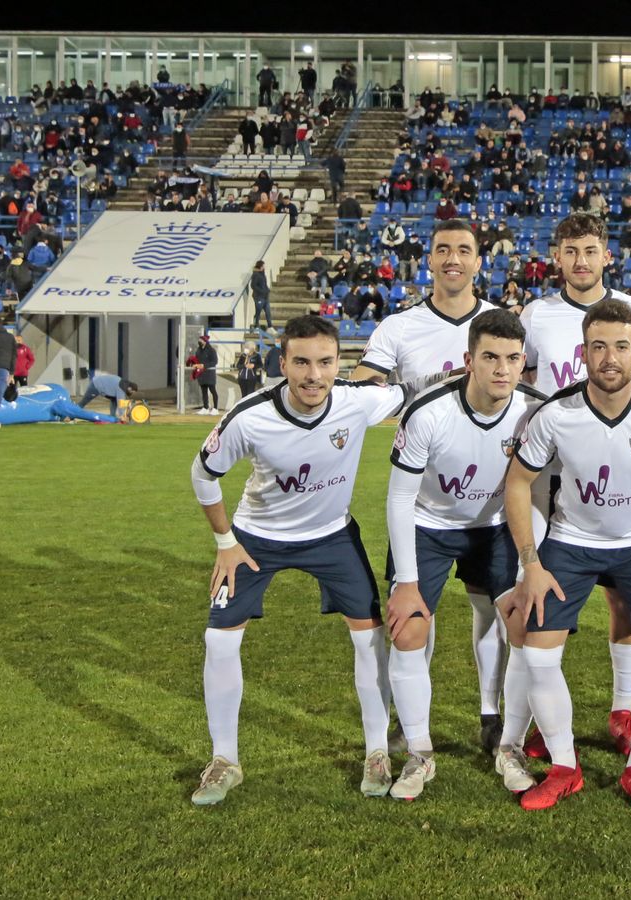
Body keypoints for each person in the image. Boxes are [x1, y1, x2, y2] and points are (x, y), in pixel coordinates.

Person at [188, 315, 407, 806]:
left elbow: (413, 391)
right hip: (254, 540)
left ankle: (377, 750)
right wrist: (226, 543)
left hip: (331, 537)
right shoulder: (249, 416)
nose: (314, 375)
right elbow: (202, 476)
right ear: (282, 363)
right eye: (302, 362)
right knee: (217, 638)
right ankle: (224, 760)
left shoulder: (357, 402)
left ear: (339, 364)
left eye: (326, 362)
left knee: (370, 636)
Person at [502, 298, 631, 815]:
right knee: (537, 653)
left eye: (621, 346)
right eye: (599, 347)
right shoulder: (555, 415)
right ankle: (566, 767)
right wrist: (531, 562)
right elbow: (518, 483)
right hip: (570, 544)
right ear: (585, 352)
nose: (610, 357)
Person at [383, 309, 548, 799]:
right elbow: (398, 498)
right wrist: (407, 581)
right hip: (429, 528)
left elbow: (538, 495)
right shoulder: (428, 411)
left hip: (496, 527)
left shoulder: (536, 410)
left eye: (513, 359)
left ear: (523, 363)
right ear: (468, 360)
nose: (502, 369)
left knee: (523, 624)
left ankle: (510, 746)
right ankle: (418, 752)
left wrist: (528, 565)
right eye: (490, 357)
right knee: (409, 626)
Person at [519, 213, 631, 753]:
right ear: (557, 257)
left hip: (616, 477)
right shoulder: (536, 315)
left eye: (590, 250)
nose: (581, 260)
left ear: (607, 255)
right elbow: (525, 384)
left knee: (624, 602)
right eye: (571, 250)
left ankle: (622, 710)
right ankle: (538, 716)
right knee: (537, 598)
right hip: (547, 477)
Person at [353, 220, 497, 387]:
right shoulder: (397, 326)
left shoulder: (501, 325)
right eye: (443, 250)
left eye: (464, 251)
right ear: (430, 261)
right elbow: (355, 395)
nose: (453, 259)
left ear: (477, 263)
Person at [192, 335, 220, 415]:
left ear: (205, 341)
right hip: (201, 374)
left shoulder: (211, 350)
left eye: (201, 340)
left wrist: (204, 365)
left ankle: (215, 408)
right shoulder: (198, 350)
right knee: (203, 391)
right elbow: (196, 360)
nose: (199, 341)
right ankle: (205, 407)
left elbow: (214, 362)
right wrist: (195, 365)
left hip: (209, 374)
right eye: (199, 340)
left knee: (212, 390)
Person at [250, 260, 273, 331]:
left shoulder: (263, 274)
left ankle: (270, 327)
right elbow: (253, 285)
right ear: (260, 266)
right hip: (259, 297)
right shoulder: (256, 274)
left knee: (268, 311)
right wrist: (262, 291)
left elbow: (264, 284)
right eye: (263, 265)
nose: (264, 267)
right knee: (258, 312)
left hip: (265, 297)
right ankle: (256, 325)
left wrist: (267, 289)